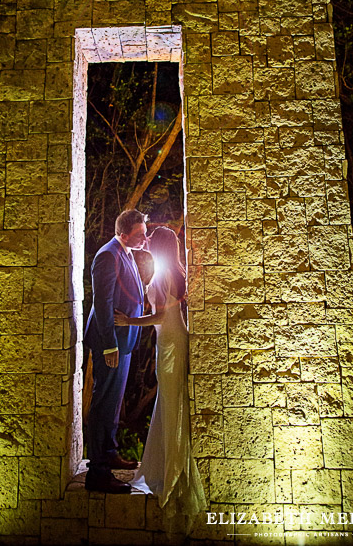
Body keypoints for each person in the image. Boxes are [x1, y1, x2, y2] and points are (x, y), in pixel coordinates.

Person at [114, 226, 207, 531]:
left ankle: (174, 472)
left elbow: (159, 317)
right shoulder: (172, 271)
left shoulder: (165, 273)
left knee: (171, 402)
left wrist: (129, 320)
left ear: (161, 245)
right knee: (169, 401)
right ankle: (168, 464)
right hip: (171, 341)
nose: (148, 242)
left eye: (152, 240)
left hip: (170, 343)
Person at [84, 209, 147, 494]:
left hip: (125, 340)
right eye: (140, 235)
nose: (145, 239)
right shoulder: (108, 255)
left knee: (114, 402)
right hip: (111, 342)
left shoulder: (126, 251)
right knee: (103, 404)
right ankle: (97, 473)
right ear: (123, 235)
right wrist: (109, 343)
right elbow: (103, 303)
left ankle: (109, 452)